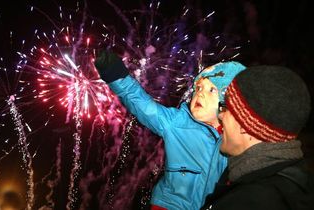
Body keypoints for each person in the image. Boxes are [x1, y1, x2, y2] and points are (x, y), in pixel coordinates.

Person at [94, 50, 246, 210]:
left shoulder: (238, 137)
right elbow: (144, 107)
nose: (200, 94)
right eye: (198, 88)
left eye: (211, 90)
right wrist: (116, 75)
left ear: (229, 101)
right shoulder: (178, 122)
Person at [201, 65, 314, 210]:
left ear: (245, 125)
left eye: (227, 108)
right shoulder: (293, 178)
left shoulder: (250, 201)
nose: (220, 115)